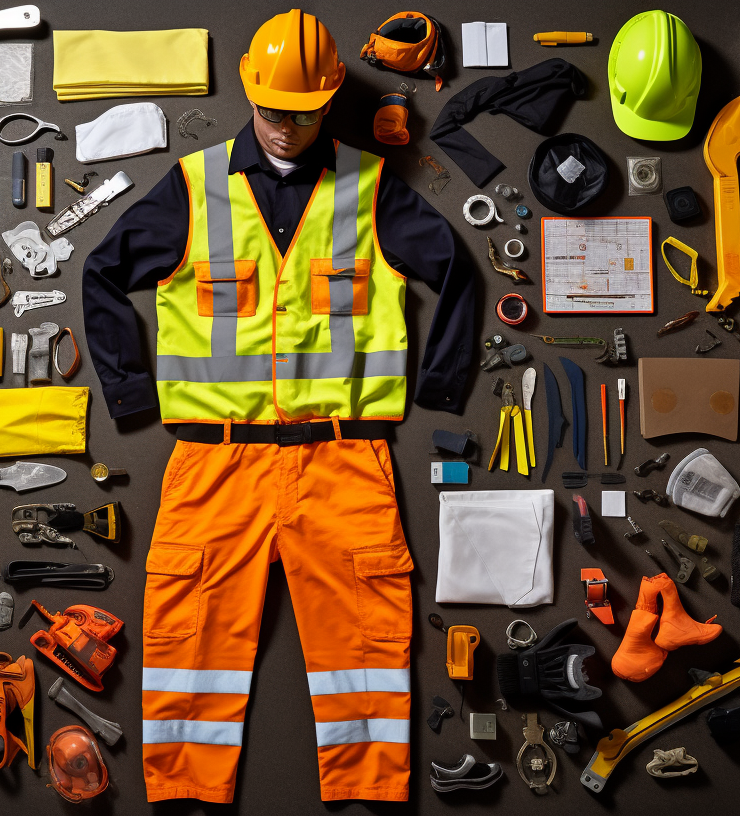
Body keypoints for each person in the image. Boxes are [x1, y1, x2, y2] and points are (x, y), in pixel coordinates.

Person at [81, 8, 475, 804]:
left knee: (364, 649)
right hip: (214, 463)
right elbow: (99, 273)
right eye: (271, 111)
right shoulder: (192, 189)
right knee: (192, 645)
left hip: (345, 460)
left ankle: (367, 797)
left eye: (302, 113)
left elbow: (458, 273)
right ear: (250, 97)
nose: (286, 127)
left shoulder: (371, 189)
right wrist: (130, 394)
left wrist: (439, 391)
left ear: (328, 101)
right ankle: (185, 795)